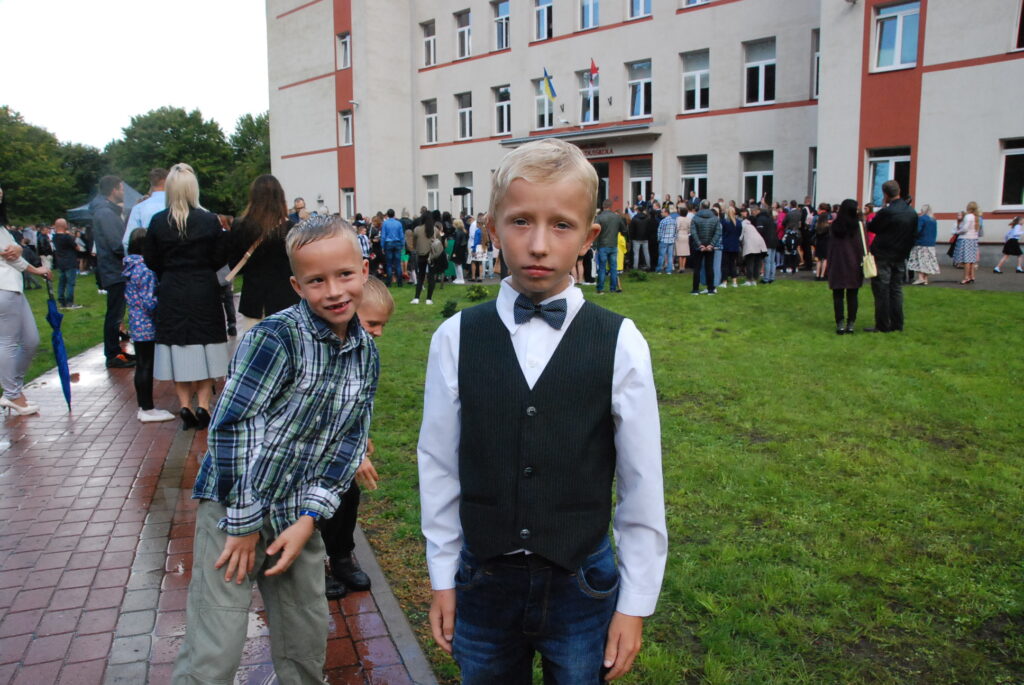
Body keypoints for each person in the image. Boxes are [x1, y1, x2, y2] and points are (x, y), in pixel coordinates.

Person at [418, 138, 666, 684]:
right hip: (483, 581)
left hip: (581, 583)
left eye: (560, 226)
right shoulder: (455, 338)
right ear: (492, 229)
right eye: (520, 222)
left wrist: (634, 603)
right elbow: (437, 464)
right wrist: (442, 575)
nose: (537, 245)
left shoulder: (620, 341)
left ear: (589, 237)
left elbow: (642, 480)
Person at [172, 215, 378, 684]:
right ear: (296, 285)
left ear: (364, 271)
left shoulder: (366, 353)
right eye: (316, 280)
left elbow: (348, 442)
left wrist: (309, 519)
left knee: (305, 635)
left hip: (296, 512)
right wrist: (244, 523)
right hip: (233, 507)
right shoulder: (275, 338)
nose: (334, 291)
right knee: (216, 645)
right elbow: (233, 428)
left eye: (344, 274)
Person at [321, 276, 394, 599]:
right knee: (315, 506)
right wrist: (354, 454)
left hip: (344, 446)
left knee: (347, 497)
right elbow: (323, 411)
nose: (379, 332)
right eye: (373, 323)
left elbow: (360, 402)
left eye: (382, 325)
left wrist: (362, 436)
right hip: (311, 451)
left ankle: (341, 556)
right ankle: (311, 565)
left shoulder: (364, 353)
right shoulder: (323, 352)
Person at [144, 163, 228, 429]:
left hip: (172, 289)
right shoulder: (209, 220)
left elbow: (150, 258)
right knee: (205, 346)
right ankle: (203, 405)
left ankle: (184, 405)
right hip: (203, 289)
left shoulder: (158, 221)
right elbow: (219, 256)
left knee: (178, 347)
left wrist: (170, 269)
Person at [228, 175, 299, 336]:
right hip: (286, 301)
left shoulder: (241, 226)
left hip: (254, 301)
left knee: (255, 348)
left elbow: (235, 265)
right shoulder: (292, 229)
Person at [123, 229, 176, 423]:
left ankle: (143, 406)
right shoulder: (145, 269)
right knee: (146, 365)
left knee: (141, 364)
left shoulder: (130, 266)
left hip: (136, 321)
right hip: (147, 323)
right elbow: (149, 301)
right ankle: (147, 408)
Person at [1, 227, 50, 415]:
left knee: (31, 340)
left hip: (14, 287)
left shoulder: (2, 228)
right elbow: (11, 254)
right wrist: (35, 269)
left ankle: (14, 389)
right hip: (4, 288)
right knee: (8, 342)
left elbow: (14, 251)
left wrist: (19, 249)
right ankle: (12, 394)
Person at [92, 175, 136, 368]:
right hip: (114, 270)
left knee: (116, 313)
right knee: (115, 314)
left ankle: (115, 351)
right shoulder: (106, 213)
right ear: (113, 190)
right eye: (121, 188)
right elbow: (116, 244)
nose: (123, 192)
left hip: (114, 269)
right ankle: (112, 354)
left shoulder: (107, 212)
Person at [865, 180, 917, 333]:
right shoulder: (911, 212)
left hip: (883, 255)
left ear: (885, 194)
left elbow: (873, 227)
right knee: (896, 289)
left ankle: (882, 325)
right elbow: (913, 235)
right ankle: (897, 323)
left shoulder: (887, 212)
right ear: (899, 191)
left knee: (882, 289)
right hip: (900, 255)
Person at [826, 200, 865, 334]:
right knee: (852, 295)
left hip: (837, 263)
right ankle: (851, 323)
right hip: (854, 263)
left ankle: (840, 323)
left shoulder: (835, 226)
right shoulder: (858, 226)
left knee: (838, 295)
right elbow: (863, 245)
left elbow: (831, 246)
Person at [121, 168, 169, 251]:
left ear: (151, 183)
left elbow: (127, 241)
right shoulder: (177, 205)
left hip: (147, 255)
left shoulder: (139, 208)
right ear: (167, 181)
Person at [594, 199, 624, 293]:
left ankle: (600, 289)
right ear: (611, 206)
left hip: (602, 245)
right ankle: (613, 288)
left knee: (602, 268)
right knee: (613, 268)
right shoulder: (617, 217)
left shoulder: (599, 217)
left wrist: (594, 245)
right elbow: (624, 229)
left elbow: (595, 231)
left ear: (603, 206)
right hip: (613, 245)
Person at [52, 219, 83, 309]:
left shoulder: (55, 237)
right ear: (64, 225)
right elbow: (77, 247)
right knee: (70, 283)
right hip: (70, 261)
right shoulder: (67, 237)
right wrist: (71, 236)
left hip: (60, 262)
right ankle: (70, 302)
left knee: (62, 282)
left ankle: (62, 301)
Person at [690, 200, 720, 294]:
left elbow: (693, 232)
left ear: (701, 206)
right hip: (708, 245)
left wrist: (699, 244)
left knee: (697, 268)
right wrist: (711, 244)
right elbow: (718, 232)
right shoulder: (715, 218)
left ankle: (695, 289)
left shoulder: (695, 217)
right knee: (709, 267)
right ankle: (710, 289)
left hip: (699, 246)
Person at [411, 210, 440, 304]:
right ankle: (429, 299)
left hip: (421, 254)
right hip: (432, 255)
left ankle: (416, 297)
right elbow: (439, 241)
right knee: (431, 277)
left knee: (420, 276)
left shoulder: (417, 229)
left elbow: (414, 242)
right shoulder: (435, 230)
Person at [909, 205, 940, 285]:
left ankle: (920, 278)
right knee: (927, 261)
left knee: (919, 261)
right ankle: (925, 278)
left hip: (921, 242)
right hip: (931, 244)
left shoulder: (922, 218)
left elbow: (917, 230)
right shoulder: (933, 219)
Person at [952, 201, 983, 284]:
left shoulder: (968, 216)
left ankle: (966, 277)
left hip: (966, 239)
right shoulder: (977, 217)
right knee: (972, 260)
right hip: (974, 239)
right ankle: (972, 276)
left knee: (966, 260)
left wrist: (957, 232)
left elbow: (965, 228)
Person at [739, 207, 767, 286]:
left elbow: (740, 236)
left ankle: (749, 280)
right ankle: (755, 279)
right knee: (757, 263)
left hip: (751, 245)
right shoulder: (752, 226)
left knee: (750, 262)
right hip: (760, 244)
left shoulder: (743, 224)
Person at [381, 208, 405, 287]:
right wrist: (402, 244)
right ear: (394, 214)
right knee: (398, 264)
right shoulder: (398, 223)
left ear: (387, 215)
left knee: (389, 264)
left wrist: (382, 246)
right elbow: (401, 235)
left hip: (388, 243)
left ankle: (389, 282)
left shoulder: (385, 223)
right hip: (397, 243)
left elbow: (383, 236)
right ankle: (400, 282)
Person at [719, 206, 741, 288]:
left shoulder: (725, 222)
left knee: (725, 264)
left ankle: (724, 282)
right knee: (733, 264)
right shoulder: (738, 222)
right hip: (735, 245)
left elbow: (722, 233)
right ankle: (734, 281)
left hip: (726, 245)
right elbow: (739, 233)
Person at [655, 205, 677, 274]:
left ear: (666, 212)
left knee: (661, 256)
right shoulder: (674, 221)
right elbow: (676, 231)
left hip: (663, 240)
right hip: (671, 240)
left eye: (662, 212)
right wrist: (674, 238)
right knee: (670, 256)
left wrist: (659, 239)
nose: (661, 213)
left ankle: (659, 270)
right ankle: (669, 270)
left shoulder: (663, 221)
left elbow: (659, 232)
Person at [628, 206, 649, 270]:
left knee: (636, 254)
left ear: (637, 210)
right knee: (646, 253)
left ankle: (635, 267)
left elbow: (631, 229)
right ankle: (648, 266)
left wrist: (631, 238)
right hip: (645, 238)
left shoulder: (634, 218)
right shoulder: (647, 218)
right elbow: (649, 228)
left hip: (636, 238)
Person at [675, 206, 691, 273]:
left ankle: (680, 267)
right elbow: (690, 228)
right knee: (685, 253)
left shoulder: (678, 218)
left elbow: (677, 227)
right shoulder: (688, 219)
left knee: (680, 253)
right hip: (686, 235)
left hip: (680, 234)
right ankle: (683, 267)